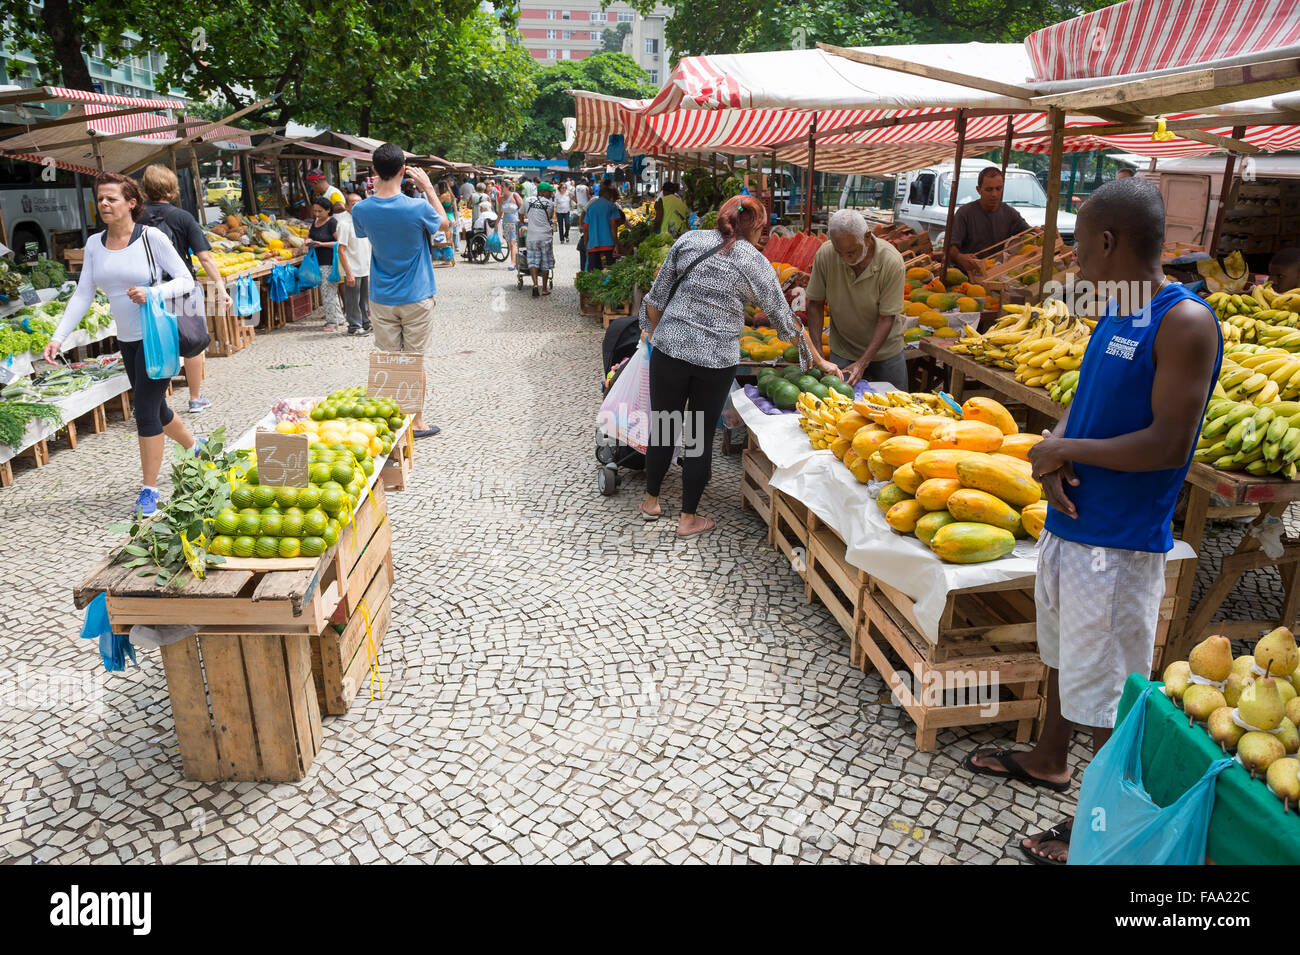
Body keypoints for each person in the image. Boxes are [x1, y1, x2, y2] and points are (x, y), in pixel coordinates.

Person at [963, 178, 1222, 865]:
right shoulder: (1117, 310)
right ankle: (1050, 757)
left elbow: (1171, 441)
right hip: (1072, 525)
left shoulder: (1183, 320)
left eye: (1079, 244)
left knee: (1112, 693)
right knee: (1061, 655)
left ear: (1108, 241)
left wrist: (1066, 448)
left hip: (1119, 542)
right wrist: (1054, 457)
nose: (1073, 258)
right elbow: (1087, 397)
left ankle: (1100, 826)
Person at [638, 194, 841, 538]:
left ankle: (651, 501)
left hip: (669, 351)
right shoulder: (755, 262)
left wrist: (661, 338)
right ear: (759, 226)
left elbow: (656, 299)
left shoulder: (690, 240)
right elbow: (785, 320)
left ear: (722, 215)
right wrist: (818, 360)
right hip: (714, 362)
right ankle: (688, 519)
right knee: (699, 437)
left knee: (664, 425)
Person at [43, 173, 197, 515]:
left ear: (131, 202)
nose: (104, 204)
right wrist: (58, 337)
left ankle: (150, 490)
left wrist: (152, 292)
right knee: (155, 409)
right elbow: (83, 294)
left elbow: (186, 280)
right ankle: (194, 446)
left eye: (111, 198)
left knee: (143, 411)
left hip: (156, 337)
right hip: (127, 340)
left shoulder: (151, 238)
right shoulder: (95, 244)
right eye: (100, 198)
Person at [350, 142, 445, 438]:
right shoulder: (417, 207)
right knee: (413, 360)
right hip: (416, 295)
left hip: (381, 297)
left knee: (391, 361)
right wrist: (428, 187)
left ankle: (395, 423)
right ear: (404, 171)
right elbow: (445, 223)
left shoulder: (361, 209)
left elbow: (365, 234)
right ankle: (416, 422)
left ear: (375, 170)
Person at [138, 163, 231, 414]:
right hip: (181, 289)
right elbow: (205, 257)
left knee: (154, 343)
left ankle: (152, 402)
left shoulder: (136, 217)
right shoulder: (183, 217)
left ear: (145, 188)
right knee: (193, 342)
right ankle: (195, 398)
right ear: (173, 188)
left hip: (147, 291)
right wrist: (220, 287)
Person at [805, 209, 907, 390]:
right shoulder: (826, 254)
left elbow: (887, 318)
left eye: (851, 252)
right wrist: (818, 353)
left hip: (886, 351)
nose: (845, 259)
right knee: (840, 407)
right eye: (839, 252)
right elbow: (815, 304)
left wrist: (862, 363)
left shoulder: (891, 261)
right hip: (843, 348)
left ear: (867, 237)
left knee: (896, 406)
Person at [947, 166, 1030, 278]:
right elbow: (950, 248)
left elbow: (1031, 234)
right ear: (978, 190)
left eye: (998, 188)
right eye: (989, 189)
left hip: (1000, 276)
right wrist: (959, 257)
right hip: (968, 278)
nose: (994, 194)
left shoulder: (1009, 213)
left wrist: (1042, 231)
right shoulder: (964, 213)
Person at [305, 196, 347, 332]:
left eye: (320, 211)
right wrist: (308, 240)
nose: (317, 214)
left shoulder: (332, 223)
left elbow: (339, 243)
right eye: (315, 211)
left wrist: (321, 244)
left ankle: (331, 323)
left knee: (327, 292)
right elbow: (310, 235)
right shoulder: (315, 222)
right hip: (318, 262)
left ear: (328, 210)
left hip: (329, 262)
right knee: (330, 292)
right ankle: (339, 319)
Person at [335, 192, 372, 336]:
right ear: (346, 206)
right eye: (353, 204)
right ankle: (354, 326)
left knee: (364, 299)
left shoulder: (364, 222)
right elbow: (341, 250)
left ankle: (365, 322)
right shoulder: (344, 224)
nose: (357, 206)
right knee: (352, 300)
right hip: (353, 268)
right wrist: (348, 272)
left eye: (360, 203)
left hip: (365, 267)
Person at [522, 182, 555, 297]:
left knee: (533, 261)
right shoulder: (550, 204)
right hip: (545, 236)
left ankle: (535, 284)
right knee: (546, 262)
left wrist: (524, 222)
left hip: (532, 237)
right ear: (542, 192)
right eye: (549, 191)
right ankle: (544, 289)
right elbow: (549, 218)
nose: (551, 193)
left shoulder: (528, 200)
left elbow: (521, 214)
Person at [582, 182, 625, 271]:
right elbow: (613, 227)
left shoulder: (591, 207)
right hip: (609, 245)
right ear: (608, 194)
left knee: (594, 274)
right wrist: (616, 244)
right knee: (610, 273)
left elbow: (585, 229)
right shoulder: (611, 206)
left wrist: (586, 246)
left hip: (593, 245)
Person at [500, 182, 523, 270]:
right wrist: (496, 224)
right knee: (510, 243)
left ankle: (513, 263)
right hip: (505, 223)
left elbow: (522, 207)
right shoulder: (501, 198)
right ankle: (515, 261)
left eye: (502, 186)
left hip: (514, 222)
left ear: (507, 187)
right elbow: (499, 213)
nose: (501, 188)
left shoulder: (515, 195)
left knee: (513, 243)